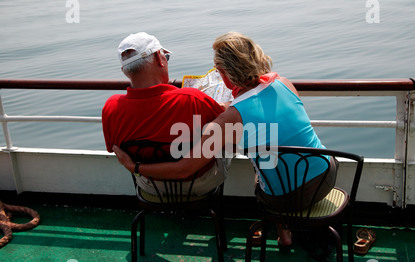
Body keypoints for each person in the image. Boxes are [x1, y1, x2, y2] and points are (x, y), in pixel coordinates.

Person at [113, 32, 338, 246]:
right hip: (327, 176)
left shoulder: (228, 120)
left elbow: (184, 168)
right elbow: (268, 111)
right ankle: (287, 235)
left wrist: (135, 166)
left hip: (284, 200)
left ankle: (284, 235)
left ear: (225, 73)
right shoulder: (284, 83)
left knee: (260, 171)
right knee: (270, 155)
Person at [102, 32, 228, 196]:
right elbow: (227, 127)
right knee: (225, 138)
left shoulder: (111, 108)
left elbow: (115, 150)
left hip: (151, 185)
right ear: (159, 59)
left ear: (125, 70)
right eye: (165, 57)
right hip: (198, 183)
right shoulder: (193, 99)